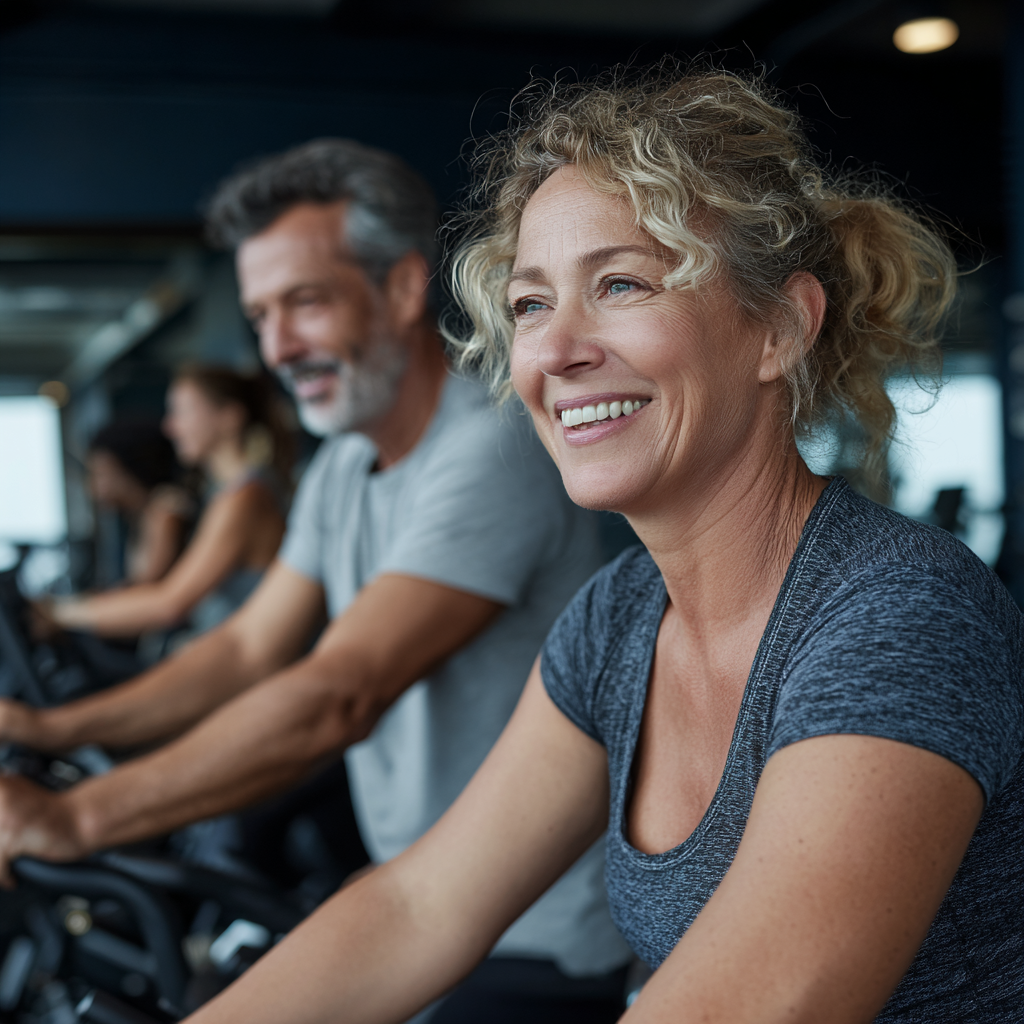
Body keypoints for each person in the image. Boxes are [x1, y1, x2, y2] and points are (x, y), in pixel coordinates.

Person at [173, 69, 1020, 1024]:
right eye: (531, 304)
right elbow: (419, 909)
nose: (556, 351)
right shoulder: (617, 620)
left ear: (779, 327)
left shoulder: (898, 615)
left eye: (619, 284)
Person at [0, 139, 632, 1019]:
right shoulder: (342, 468)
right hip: (418, 901)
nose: (278, 345)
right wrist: (45, 724)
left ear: (406, 288)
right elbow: (245, 648)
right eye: (261, 315)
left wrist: (75, 818)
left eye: (305, 302)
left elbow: (341, 692)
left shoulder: (490, 446)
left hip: (531, 935)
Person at [42, 366, 291, 639]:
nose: (170, 427)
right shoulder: (223, 494)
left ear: (230, 417)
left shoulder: (246, 498)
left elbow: (170, 603)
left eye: (183, 412)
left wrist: (59, 613)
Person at [86, 419, 193, 586]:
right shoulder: (140, 515)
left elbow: (148, 588)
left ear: (129, 471)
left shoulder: (165, 511)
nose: (92, 487)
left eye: (100, 474)